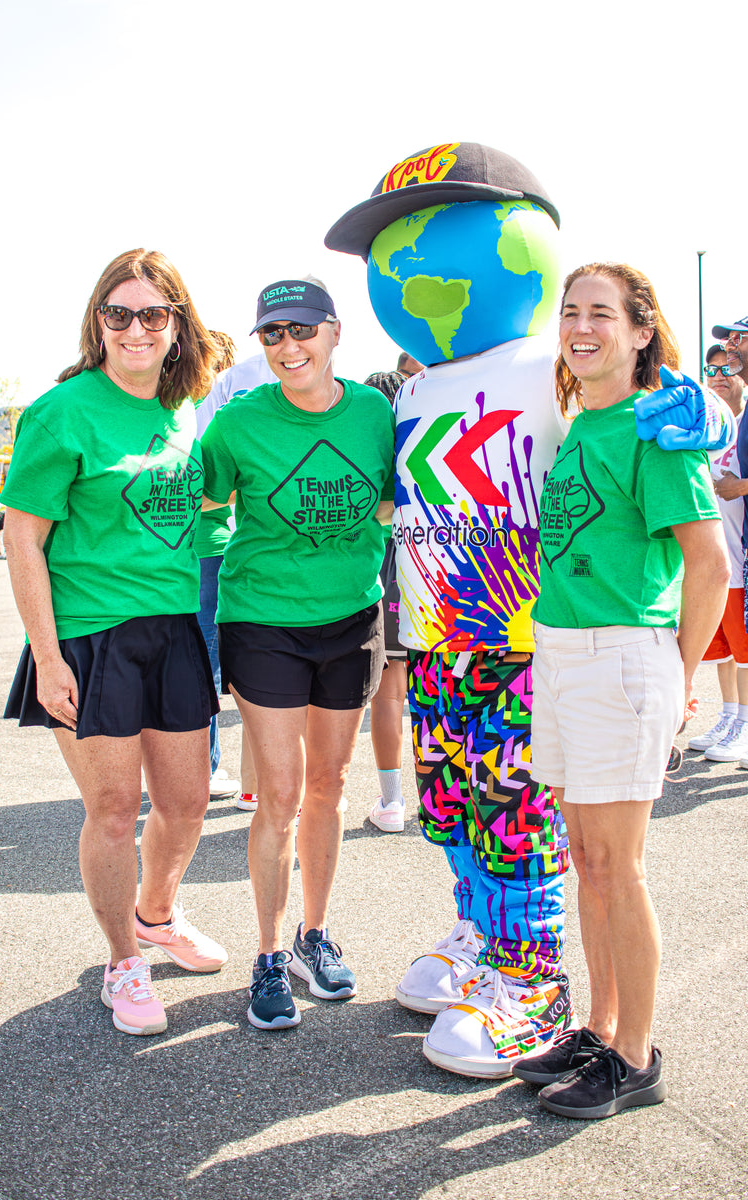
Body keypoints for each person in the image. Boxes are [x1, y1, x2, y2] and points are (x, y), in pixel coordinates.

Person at [325, 139, 735, 1080]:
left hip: (531, 645)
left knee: (520, 816)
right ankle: (481, 937)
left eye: (436, 235)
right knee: (457, 810)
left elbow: (655, 409)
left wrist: (697, 408)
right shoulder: (416, 385)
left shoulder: (553, 367)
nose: (413, 263)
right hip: (434, 643)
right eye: (396, 249)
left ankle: (533, 975)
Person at [516, 263, 729, 1119]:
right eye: (571, 311)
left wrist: (679, 680)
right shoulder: (582, 426)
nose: (581, 326)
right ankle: (601, 1027)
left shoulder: (653, 433)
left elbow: (710, 563)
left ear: (642, 332)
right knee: (589, 863)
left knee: (618, 866)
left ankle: (634, 1058)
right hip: (562, 649)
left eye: (602, 313)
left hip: (622, 656)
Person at [1, 248, 228, 1037]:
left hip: (173, 632)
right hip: (89, 636)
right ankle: (121, 958)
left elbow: (197, 517)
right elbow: (23, 539)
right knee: (111, 809)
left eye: (153, 315)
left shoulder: (184, 412)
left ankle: (157, 915)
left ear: (176, 327)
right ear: (97, 322)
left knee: (189, 802)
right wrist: (49, 655)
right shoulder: (62, 411)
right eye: (119, 313)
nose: (136, 328)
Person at [200, 278, 395, 1030]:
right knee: (278, 793)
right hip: (263, 621)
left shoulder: (376, 412)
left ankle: (316, 935)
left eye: (301, 330)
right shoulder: (239, 422)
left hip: (351, 618)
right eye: (272, 335)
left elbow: (393, 494)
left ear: (335, 332)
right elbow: (203, 502)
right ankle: (269, 952)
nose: (288, 347)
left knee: (330, 785)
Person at [687, 344, 748, 760]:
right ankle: (729, 716)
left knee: (745, 652)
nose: (720, 374)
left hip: (741, 559)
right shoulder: (708, 433)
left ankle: (744, 723)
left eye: (728, 367)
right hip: (715, 559)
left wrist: (738, 488)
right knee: (724, 649)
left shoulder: (745, 424)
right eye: (712, 369)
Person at [194, 330, 240, 801]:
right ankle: (204, 769)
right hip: (210, 548)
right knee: (206, 662)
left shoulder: (168, 408)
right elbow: (220, 492)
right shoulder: (216, 415)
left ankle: (191, 767)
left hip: (171, 550)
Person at [363, 370, 409, 833]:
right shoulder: (420, 449)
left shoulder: (368, 452)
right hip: (440, 575)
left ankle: (393, 802)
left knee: (389, 693)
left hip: (384, 574)